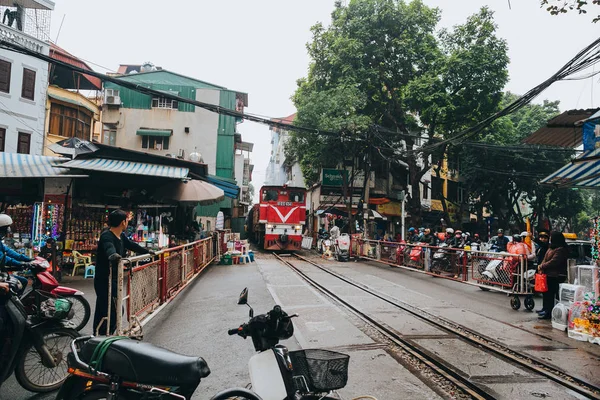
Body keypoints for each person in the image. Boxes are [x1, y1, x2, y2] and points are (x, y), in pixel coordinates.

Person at [93, 210, 152, 335]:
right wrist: (113, 255)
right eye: (126, 221)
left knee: (103, 308)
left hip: (113, 278)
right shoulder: (107, 236)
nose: (127, 223)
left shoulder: (121, 236)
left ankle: (98, 335)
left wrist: (147, 252)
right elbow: (109, 247)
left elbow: (132, 245)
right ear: (122, 222)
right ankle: (104, 336)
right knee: (113, 310)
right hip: (104, 279)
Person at [537, 232, 568, 319]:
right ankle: (545, 309)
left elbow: (554, 262)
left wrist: (542, 266)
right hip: (548, 274)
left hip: (556, 275)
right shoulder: (551, 248)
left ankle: (549, 312)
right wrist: (541, 266)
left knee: (551, 294)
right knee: (546, 293)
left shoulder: (560, 249)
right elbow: (545, 258)